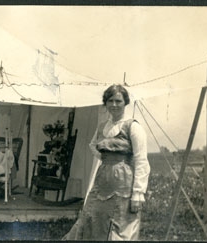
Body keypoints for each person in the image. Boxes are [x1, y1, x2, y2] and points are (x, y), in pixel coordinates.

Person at [62, 84, 150, 240]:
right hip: (102, 180)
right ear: (106, 103)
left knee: (121, 224)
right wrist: (105, 158)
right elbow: (93, 145)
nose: (114, 105)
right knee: (93, 219)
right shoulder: (104, 126)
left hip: (123, 183)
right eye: (110, 101)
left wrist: (138, 193)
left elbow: (141, 160)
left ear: (125, 103)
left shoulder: (133, 126)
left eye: (118, 101)